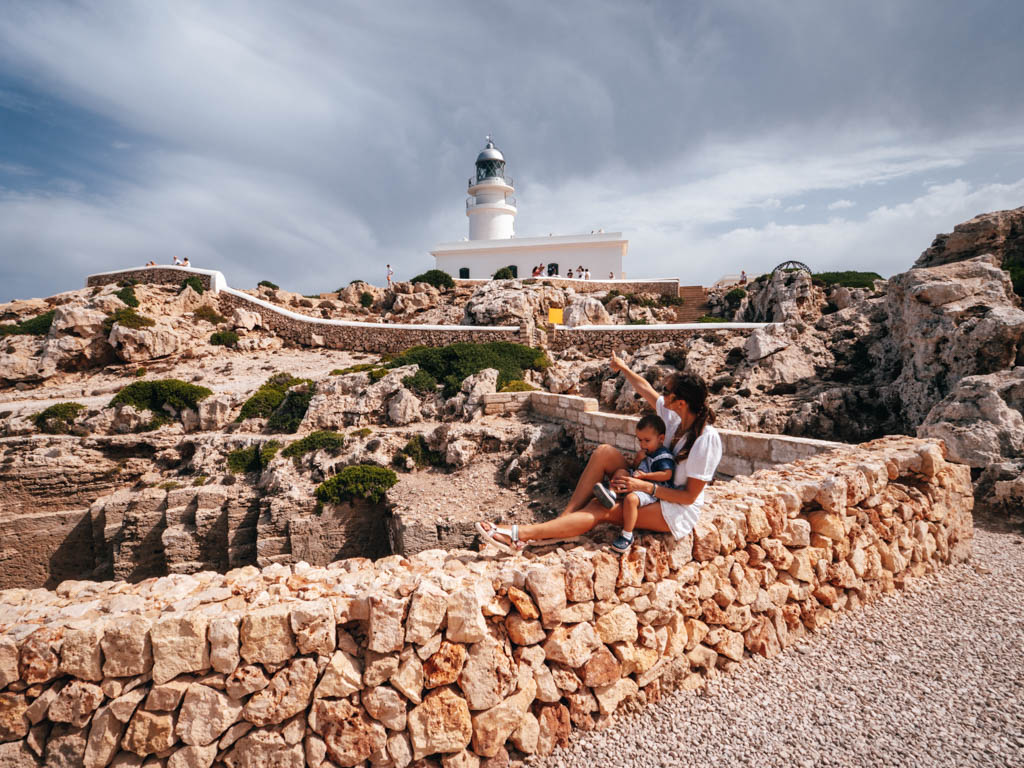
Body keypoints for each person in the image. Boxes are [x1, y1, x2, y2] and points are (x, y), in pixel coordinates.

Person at [476, 358, 722, 552]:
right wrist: (623, 368)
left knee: (601, 507)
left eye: (666, 390)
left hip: (673, 508)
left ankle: (517, 534)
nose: (662, 393)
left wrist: (644, 487)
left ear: (680, 402)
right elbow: (644, 388)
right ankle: (564, 521)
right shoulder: (673, 416)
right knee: (604, 452)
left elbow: (689, 497)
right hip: (649, 481)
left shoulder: (705, 440)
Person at [593, 413, 675, 553]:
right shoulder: (646, 452)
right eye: (640, 440)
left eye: (647, 440)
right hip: (638, 481)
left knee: (631, 500)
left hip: (651, 490)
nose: (643, 444)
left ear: (661, 438)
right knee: (621, 472)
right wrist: (637, 460)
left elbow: (667, 474)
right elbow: (636, 468)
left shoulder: (663, 456)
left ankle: (627, 535)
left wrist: (646, 476)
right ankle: (612, 493)